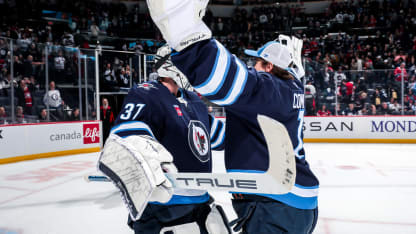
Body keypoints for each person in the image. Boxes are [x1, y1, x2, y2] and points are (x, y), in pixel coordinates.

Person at [146, 1, 318, 233]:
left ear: (269, 67)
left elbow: (223, 81)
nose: (252, 66)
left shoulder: (271, 88)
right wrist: (187, 123)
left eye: (256, 62)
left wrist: (186, 34)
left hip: (275, 206)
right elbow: (230, 137)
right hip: (288, 204)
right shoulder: (287, 94)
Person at [99, 45, 229, 234]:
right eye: (187, 63)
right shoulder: (146, 93)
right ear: (170, 66)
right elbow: (126, 136)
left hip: (200, 202)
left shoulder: (194, 100)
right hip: (163, 206)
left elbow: (219, 137)